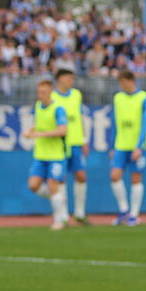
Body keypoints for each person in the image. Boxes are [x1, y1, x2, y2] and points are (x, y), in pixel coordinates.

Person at [110, 70, 146, 226]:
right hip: (121, 144)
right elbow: (115, 122)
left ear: (130, 81)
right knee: (114, 176)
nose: (121, 85)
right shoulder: (118, 98)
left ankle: (134, 214)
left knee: (136, 178)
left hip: (137, 146)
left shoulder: (144, 98)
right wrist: (112, 145)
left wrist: (139, 147)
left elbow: (145, 123)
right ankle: (123, 210)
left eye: (123, 82)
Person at [25, 80, 68, 230]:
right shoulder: (38, 106)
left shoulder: (58, 109)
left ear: (50, 92)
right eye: (39, 92)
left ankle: (59, 219)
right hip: (40, 155)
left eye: (43, 92)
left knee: (52, 185)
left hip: (56, 156)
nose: (40, 95)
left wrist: (39, 134)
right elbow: (40, 124)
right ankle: (59, 200)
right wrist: (31, 131)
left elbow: (63, 130)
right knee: (33, 186)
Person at [52, 70, 90, 225]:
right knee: (61, 179)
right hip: (60, 144)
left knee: (81, 176)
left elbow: (80, 117)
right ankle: (63, 214)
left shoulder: (76, 95)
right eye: (68, 78)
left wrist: (84, 140)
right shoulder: (53, 97)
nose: (71, 81)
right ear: (60, 79)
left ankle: (80, 213)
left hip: (76, 142)